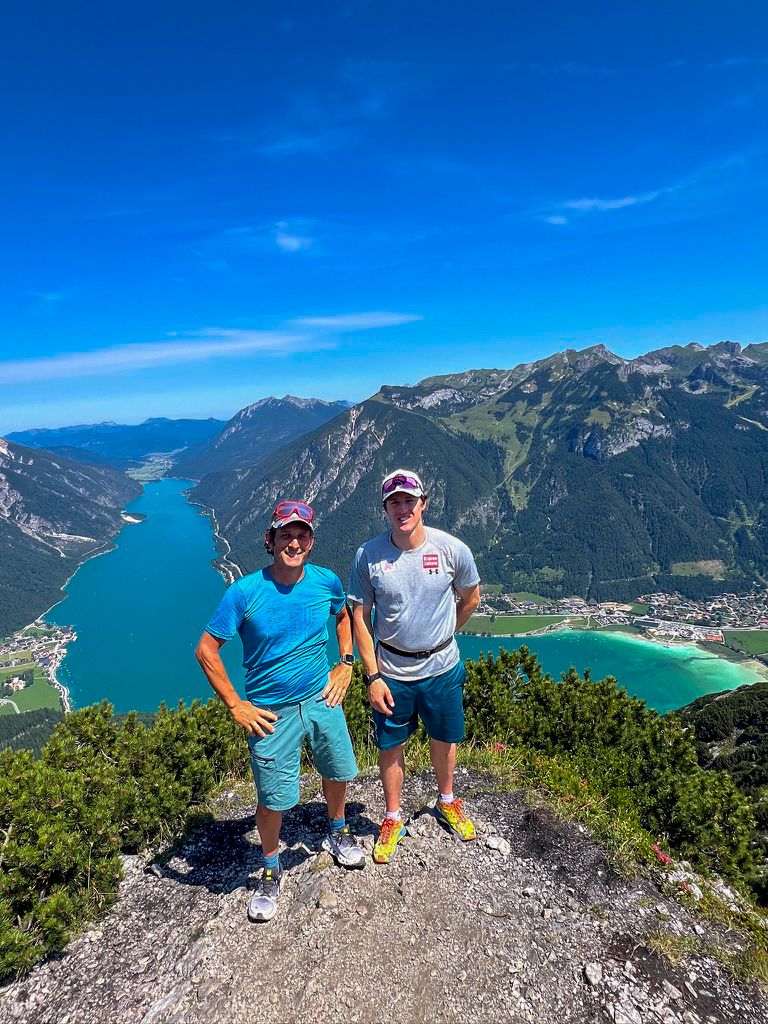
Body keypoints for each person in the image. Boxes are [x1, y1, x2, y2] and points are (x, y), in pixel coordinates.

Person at [195, 499, 363, 922]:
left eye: (301, 534)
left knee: (338, 770)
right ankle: (270, 868)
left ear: (311, 540)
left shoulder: (326, 581)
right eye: (285, 535)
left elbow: (342, 617)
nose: (294, 542)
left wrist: (345, 663)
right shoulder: (245, 592)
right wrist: (236, 705)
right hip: (271, 712)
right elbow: (206, 650)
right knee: (274, 799)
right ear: (269, 541)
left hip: (321, 699)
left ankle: (338, 831)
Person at [347, 469, 481, 863]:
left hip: (441, 669)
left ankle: (447, 800)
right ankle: (391, 817)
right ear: (385, 509)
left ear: (423, 503)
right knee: (390, 747)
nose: (402, 509)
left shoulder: (452, 549)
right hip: (392, 674)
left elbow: (471, 597)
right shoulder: (368, 555)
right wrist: (372, 676)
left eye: (409, 501)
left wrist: (442, 635)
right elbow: (359, 616)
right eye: (394, 503)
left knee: (444, 739)